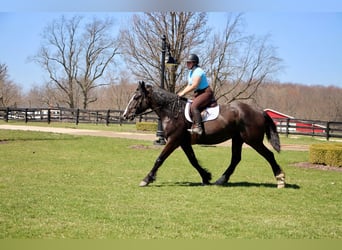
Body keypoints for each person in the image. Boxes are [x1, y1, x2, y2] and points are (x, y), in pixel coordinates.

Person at [177, 53, 215, 135]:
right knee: (189, 106)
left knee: (194, 106)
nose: (187, 64)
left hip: (206, 92)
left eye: (189, 62)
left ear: (194, 63)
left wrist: (183, 93)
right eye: (187, 62)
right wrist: (181, 93)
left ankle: (198, 128)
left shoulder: (198, 71)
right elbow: (189, 85)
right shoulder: (190, 72)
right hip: (199, 93)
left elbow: (194, 85)